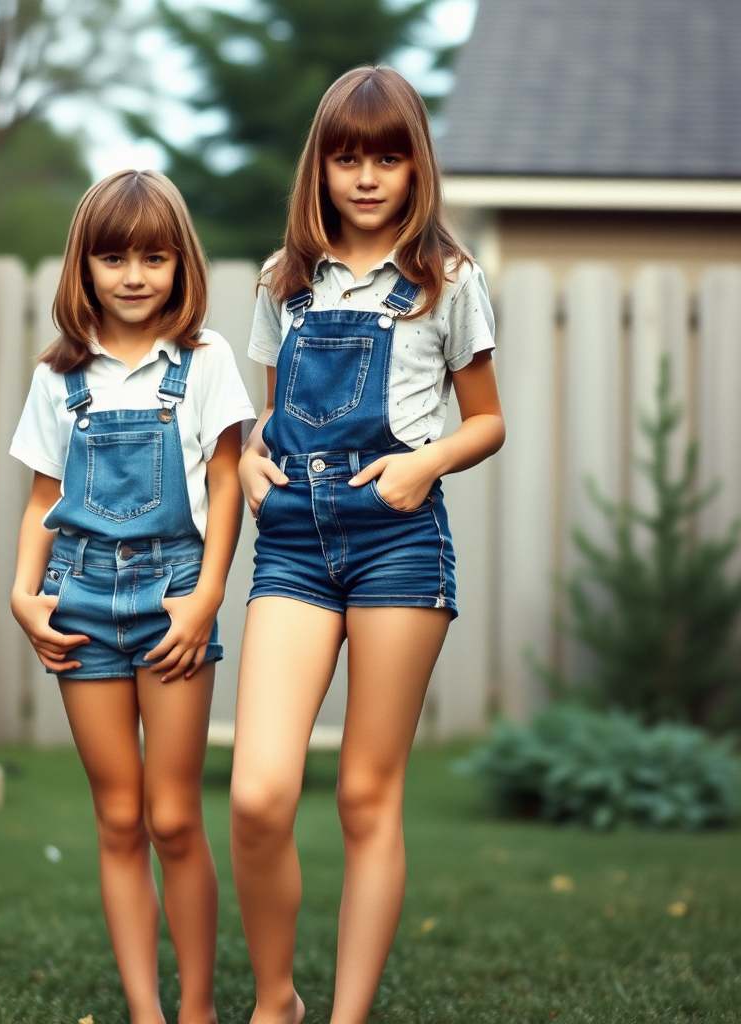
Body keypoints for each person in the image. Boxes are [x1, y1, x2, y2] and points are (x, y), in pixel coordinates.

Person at [230, 66, 506, 1024]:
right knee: (261, 795)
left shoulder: (450, 281)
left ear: (414, 165)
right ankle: (278, 1004)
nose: (366, 175)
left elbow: (487, 423)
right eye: (347, 155)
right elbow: (273, 420)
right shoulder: (283, 280)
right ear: (321, 166)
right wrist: (255, 459)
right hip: (295, 545)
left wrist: (423, 464)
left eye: (387, 156)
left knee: (363, 794)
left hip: (399, 547)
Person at [9, 169, 255, 1024]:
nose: (135, 275)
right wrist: (22, 591)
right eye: (114, 257)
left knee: (174, 817)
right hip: (77, 600)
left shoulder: (206, 361)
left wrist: (207, 597)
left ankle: (197, 1011)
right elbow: (45, 499)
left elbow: (226, 484)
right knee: (118, 817)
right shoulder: (58, 377)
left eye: (154, 256)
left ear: (182, 264)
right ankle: (146, 1013)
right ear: (84, 267)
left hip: (174, 595)